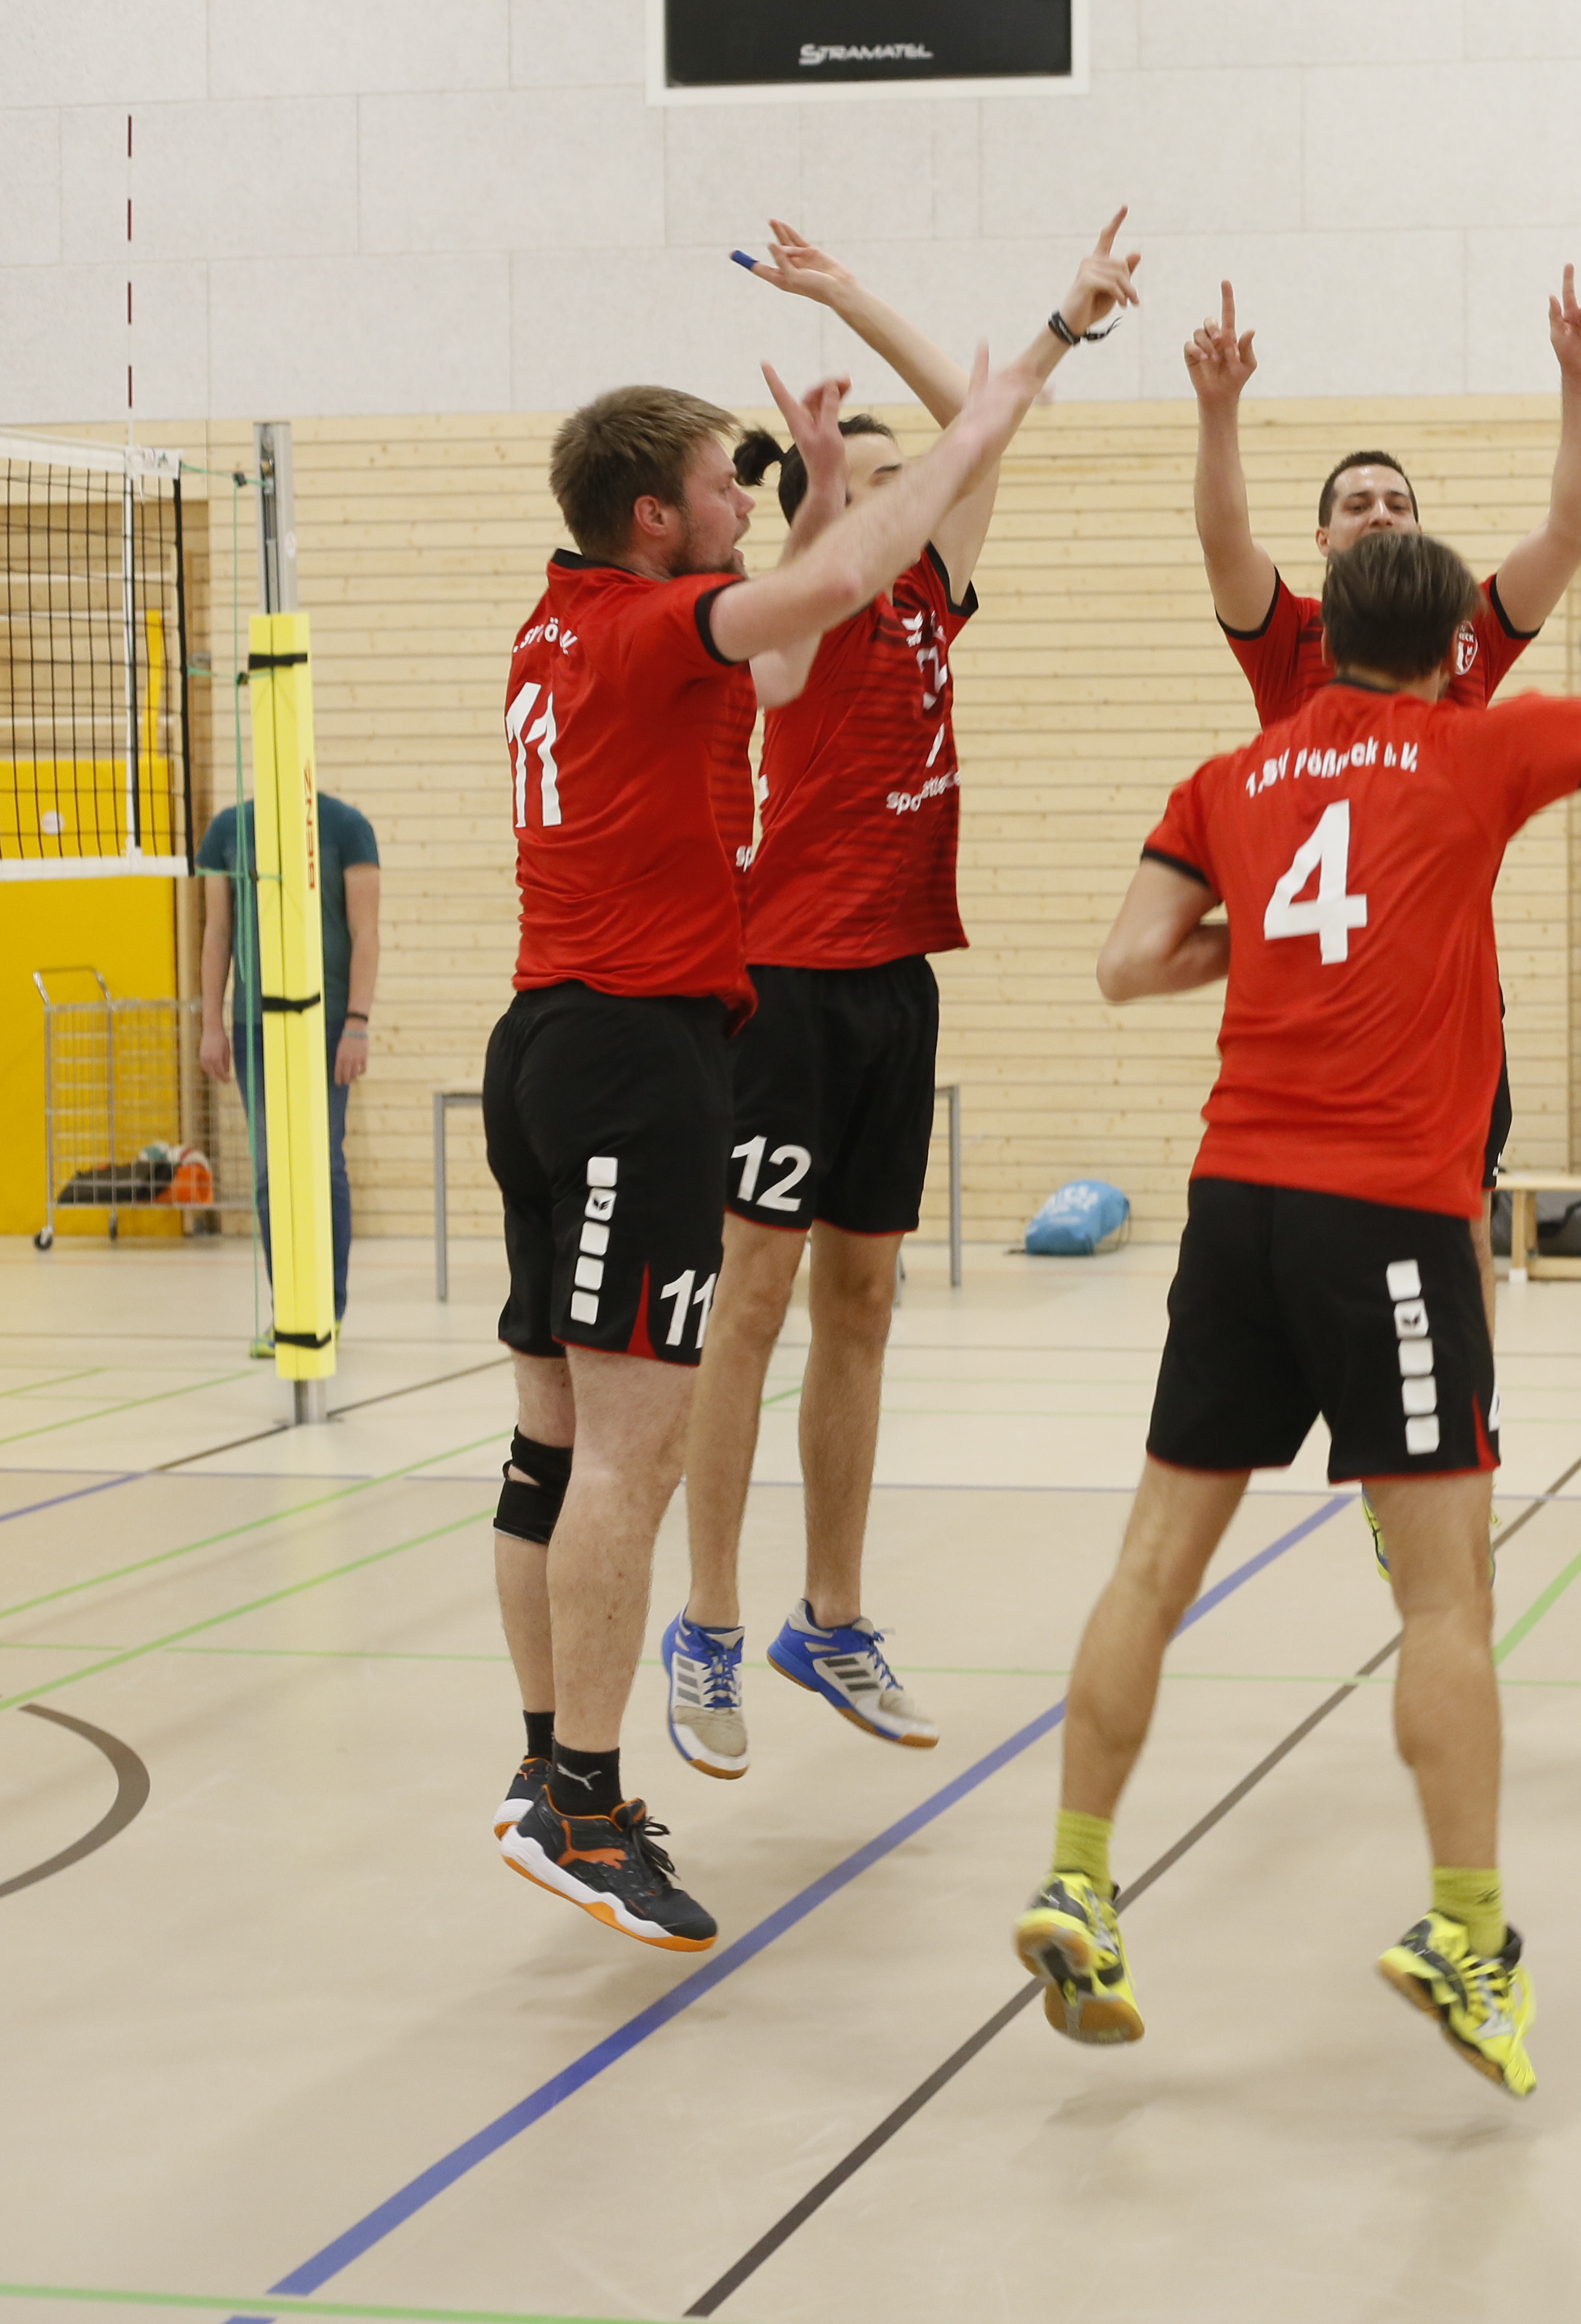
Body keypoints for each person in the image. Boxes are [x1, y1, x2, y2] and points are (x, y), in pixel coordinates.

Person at [1010, 453, 1581, 2097]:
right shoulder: (1486, 744)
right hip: (1388, 1217)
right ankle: (1468, 1928)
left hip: (1234, 1199)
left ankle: (1079, 1876)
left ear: (1321, 636)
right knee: (1448, 1598)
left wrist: (1272, 936)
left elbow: (1125, 968)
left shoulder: (1232, 777)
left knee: (1149, 1571)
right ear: (1460, 631)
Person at [482, 317, 1055, 1954]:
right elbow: (814, 600)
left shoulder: (558, 616)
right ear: (656, 519)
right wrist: (951, 438)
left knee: (548, 1443)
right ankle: (586, 1799)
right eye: (726, 483)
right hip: (635, 1059)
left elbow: (798, 612)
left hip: (551, 1037)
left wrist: (810, 494)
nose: (748, 499)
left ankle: (547, 1773)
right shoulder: (661, 626)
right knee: (624, 1448)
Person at [661, 217, 1142, 1784]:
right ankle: (712, 1625)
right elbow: (787, 674)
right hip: (782, 986)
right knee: (752, 1303)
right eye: (868, 478)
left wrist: (876, 298)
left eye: (902, 472)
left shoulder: (933, 590)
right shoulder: (794, 613)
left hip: (894, 988)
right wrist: (817, 496)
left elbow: (988, 413)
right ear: (821, 506)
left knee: (862, 1309)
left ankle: (832, 1616)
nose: (908, 485)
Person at [1188, 266, 1581, 1571]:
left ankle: (1440, 1453)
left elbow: (1566, 527)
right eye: (1354, 505)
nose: (1377, 514)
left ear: (1422, 539)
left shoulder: (1466, 644)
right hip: (1316, 1013)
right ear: (1321, 543)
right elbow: (1222, 546)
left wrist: (1580, 385)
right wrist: (1218, 413)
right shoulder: (1293, 643)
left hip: (1444, 1006)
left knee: (1456, 1227)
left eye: (1396, 502)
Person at [195, 786, 378, 1336]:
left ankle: (330, 1307)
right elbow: (217, 933)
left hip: (324, 1026)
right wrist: (211, 1024)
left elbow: (365, 933)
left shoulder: (346, 825)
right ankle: (289, 1313)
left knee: (323, 1163)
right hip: (255, 1027)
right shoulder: (228, 831)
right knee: (270, 1173)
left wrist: (357, 1024)